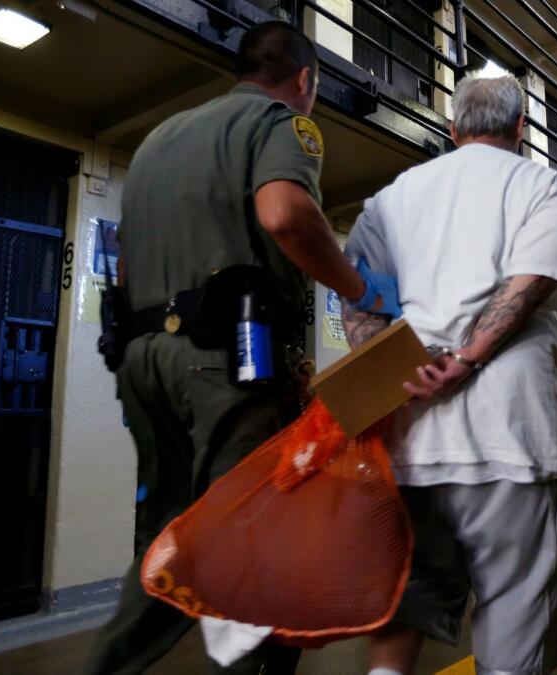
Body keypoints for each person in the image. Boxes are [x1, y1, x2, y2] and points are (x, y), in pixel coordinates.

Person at [86, 22, 399, 675]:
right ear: (305, 80)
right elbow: (284, 214)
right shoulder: (284, 125)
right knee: (253, 542)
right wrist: (360, 285)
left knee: (170, 541)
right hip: (226, 364)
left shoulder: (157, 140)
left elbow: (123, 263)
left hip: (142, 364)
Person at [342, 76, 557, 674]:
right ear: (520, 129)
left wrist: (404, 372)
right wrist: (466, 360)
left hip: (407, 433)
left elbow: (358, 300)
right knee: (516, 599)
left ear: (453, 130)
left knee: (407, 595)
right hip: (509, 435)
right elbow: (529, 282)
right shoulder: (543, 185)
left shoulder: (392, 197)